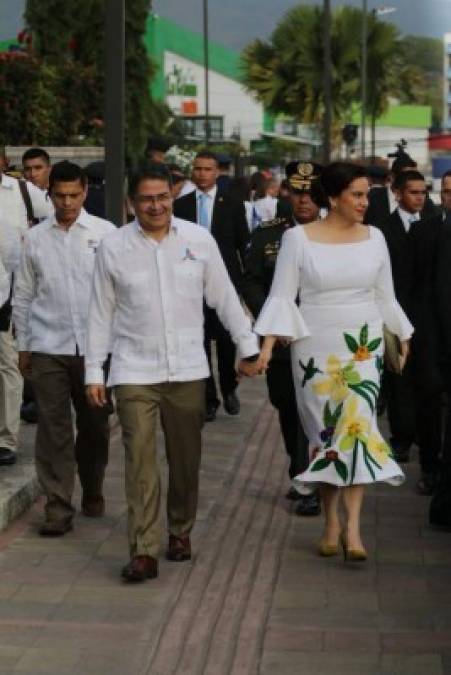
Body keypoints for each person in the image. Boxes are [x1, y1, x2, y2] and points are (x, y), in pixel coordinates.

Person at [85, 162, 259, 582]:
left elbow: (224, 298)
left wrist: (247, 344)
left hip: (187, 370)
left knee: (185, 460)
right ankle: (143, 549)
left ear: (173, 197)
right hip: (133, 370)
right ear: (131, 203)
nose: (156, 206)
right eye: (146, 199)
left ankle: (179, 531)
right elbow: (99, 313)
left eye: (163, 197)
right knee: (139, 460)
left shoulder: (198, 241)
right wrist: (94, 370)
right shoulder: (113, 247)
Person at [252, 162, 412, 561]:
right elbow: (282, 296)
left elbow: (385, 294)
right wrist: (268, 346)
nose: (364, 202)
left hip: (363, 346)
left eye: (366, 194)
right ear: (335, 197)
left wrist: (403, 333)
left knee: (357, 431)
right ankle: (331, 523)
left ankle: (354, 529)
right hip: (315, 347)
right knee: (325, 437)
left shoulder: (375, 237)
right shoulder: (297, 238)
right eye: (357, 194)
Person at [13, 161, 114, 535]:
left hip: (95, 350)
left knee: (94, 427)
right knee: (53, 429)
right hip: (48, 345)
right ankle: (57, 506)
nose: (67, 202)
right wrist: (24, 345)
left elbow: (119, 294)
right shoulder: (36, 238)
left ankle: (92, 486)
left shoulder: (106, 234)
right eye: (60, 196)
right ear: (49, 195)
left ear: (85, 192)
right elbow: (23, 294)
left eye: (74, 195)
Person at [243, 163, 327, 517]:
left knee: (316, 410)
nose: (304, 199)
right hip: (280, 342)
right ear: (288, 192)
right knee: (287, 405)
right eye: (298, 191)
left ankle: (309, 480)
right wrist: (275, 324)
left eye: (311, 192)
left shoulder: (333, 233)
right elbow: (251, 282)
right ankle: (298, 468)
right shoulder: (269, 234)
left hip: (320, 339)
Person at [174, 151, 250, 421]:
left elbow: (244, 244)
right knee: (200, 340)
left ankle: (229, 388)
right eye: (198, 169)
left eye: (208, 169)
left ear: (217, 172)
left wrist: (240, 282)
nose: (202, 174)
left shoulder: (232, 203)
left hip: (225, 281)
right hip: (191, 283)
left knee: (228, 339)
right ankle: (208, 398)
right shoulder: (180, 205)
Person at [378, 170, 440, 488]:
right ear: (398, 193)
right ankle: (401, 437)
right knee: (398, 375)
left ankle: (419, 435)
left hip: (425, 315)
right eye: (413, 192)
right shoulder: (383, 229)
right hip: (392, 312)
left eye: (423, 192)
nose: (420, 198)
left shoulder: (434, 224)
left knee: (426, 382)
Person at [0, 147, 52, 466]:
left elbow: (56, 217)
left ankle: (6, 439)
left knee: (8, 365)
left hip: (9, 293)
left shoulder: (20, 190)